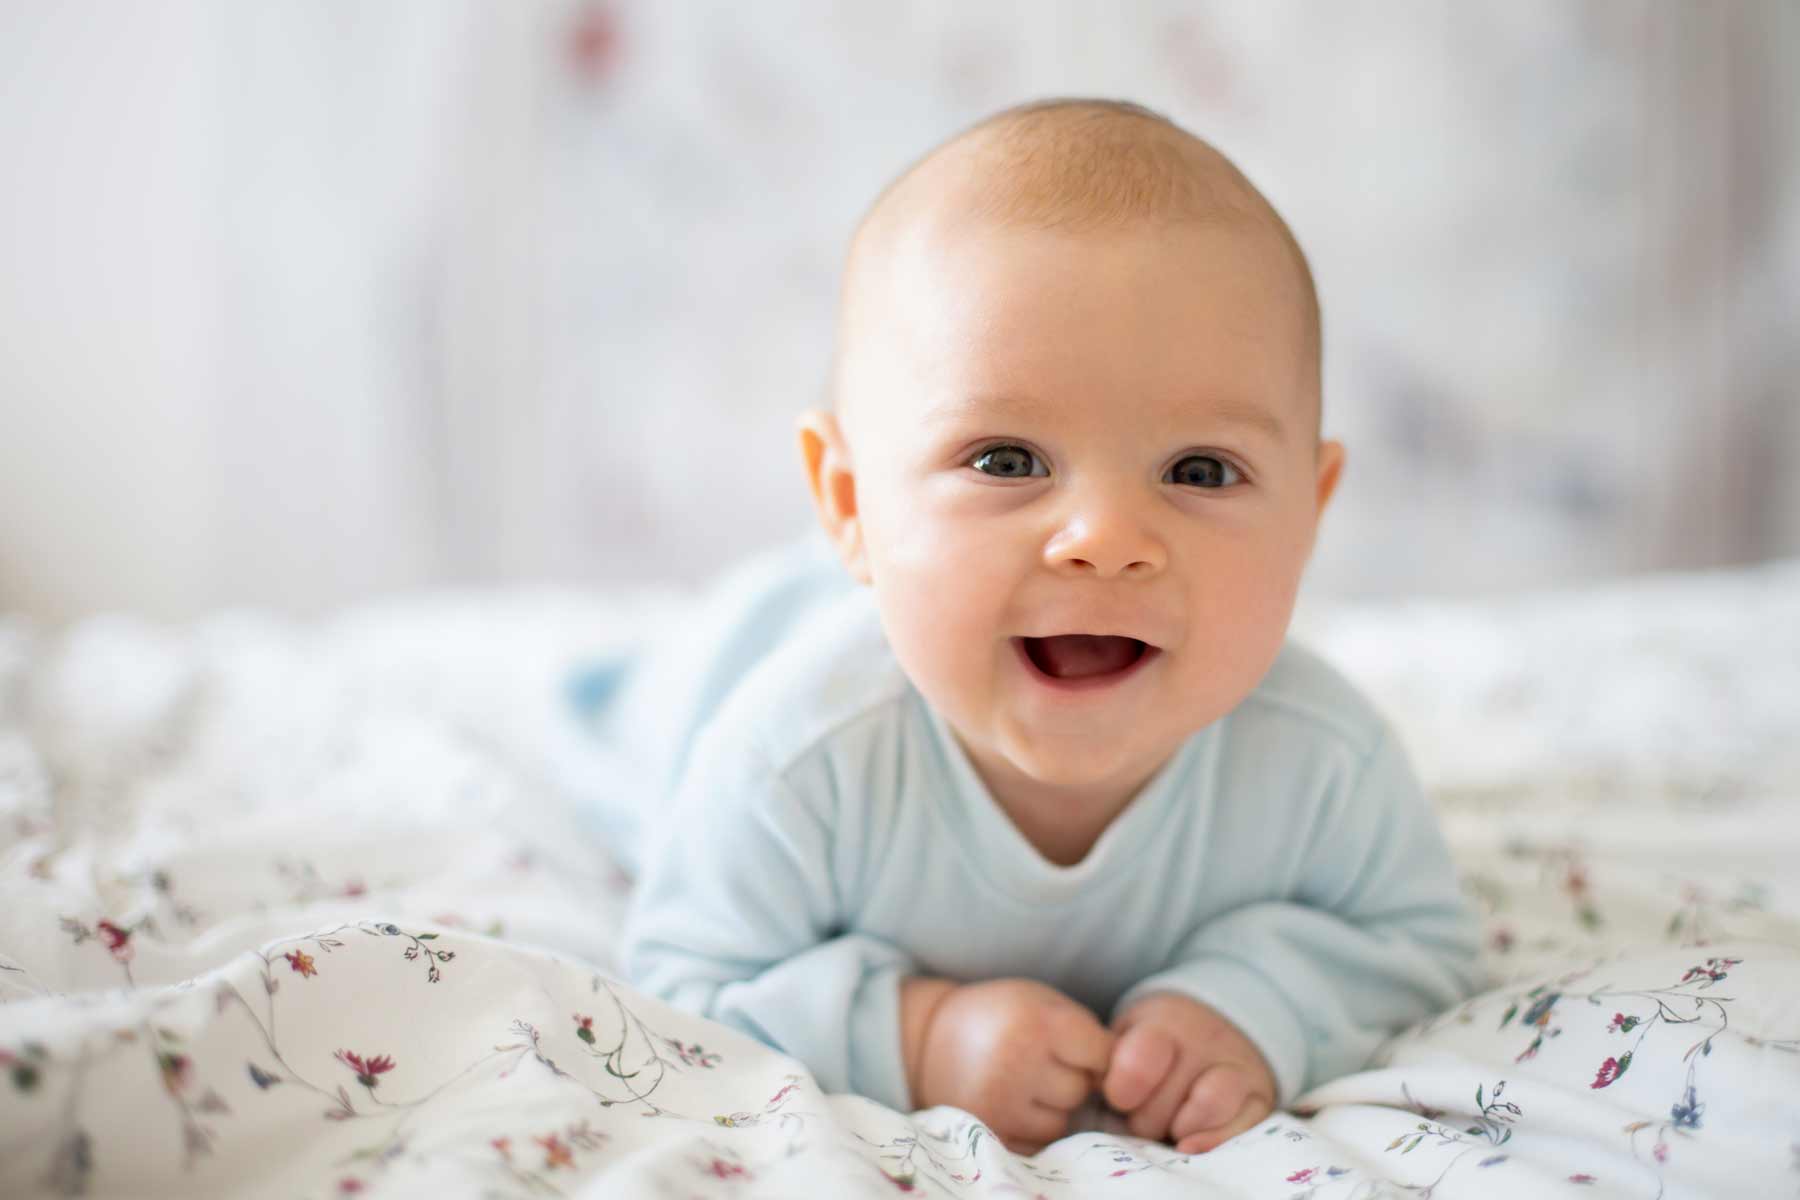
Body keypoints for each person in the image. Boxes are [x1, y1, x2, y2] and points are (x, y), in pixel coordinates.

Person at [606, 97, 1481, 1157]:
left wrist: (1254, 1004)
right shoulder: (796, 755)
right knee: (640, 714)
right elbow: (680, 981)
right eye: (1007, 460)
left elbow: (1421, 946)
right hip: (731, 664)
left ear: (1310, 510)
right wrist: (918, 1033)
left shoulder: (1320, 763)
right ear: (847, 504)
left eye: (1200, 471)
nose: (1107, 540)